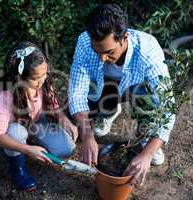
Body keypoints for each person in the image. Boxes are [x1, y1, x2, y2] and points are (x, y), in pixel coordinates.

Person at [68, 4, 175, 186]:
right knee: (85, 97)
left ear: (124, 38)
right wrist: (87, 135)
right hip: (103, 86)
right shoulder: (85, 42)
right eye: (98, 52)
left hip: (134, 89)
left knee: (147, 94)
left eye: (109, 52)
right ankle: (108, 110)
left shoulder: (148, 52)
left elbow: (167, 107)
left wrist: (147, 153)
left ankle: (146, 136)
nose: (102, 58)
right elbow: (77, 92)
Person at [0, 41, 78, 191]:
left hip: (37, 122)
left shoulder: (43, 82)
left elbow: (53, 104)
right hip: (17, 127)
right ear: (20, 78)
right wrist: (26, 150)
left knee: (66, 149)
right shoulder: (7, 95)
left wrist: (63, 119)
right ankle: (17, 167)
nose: (42, 81)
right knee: (16, 133)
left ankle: (32, 140)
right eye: (35, 78)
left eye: (45, 74)